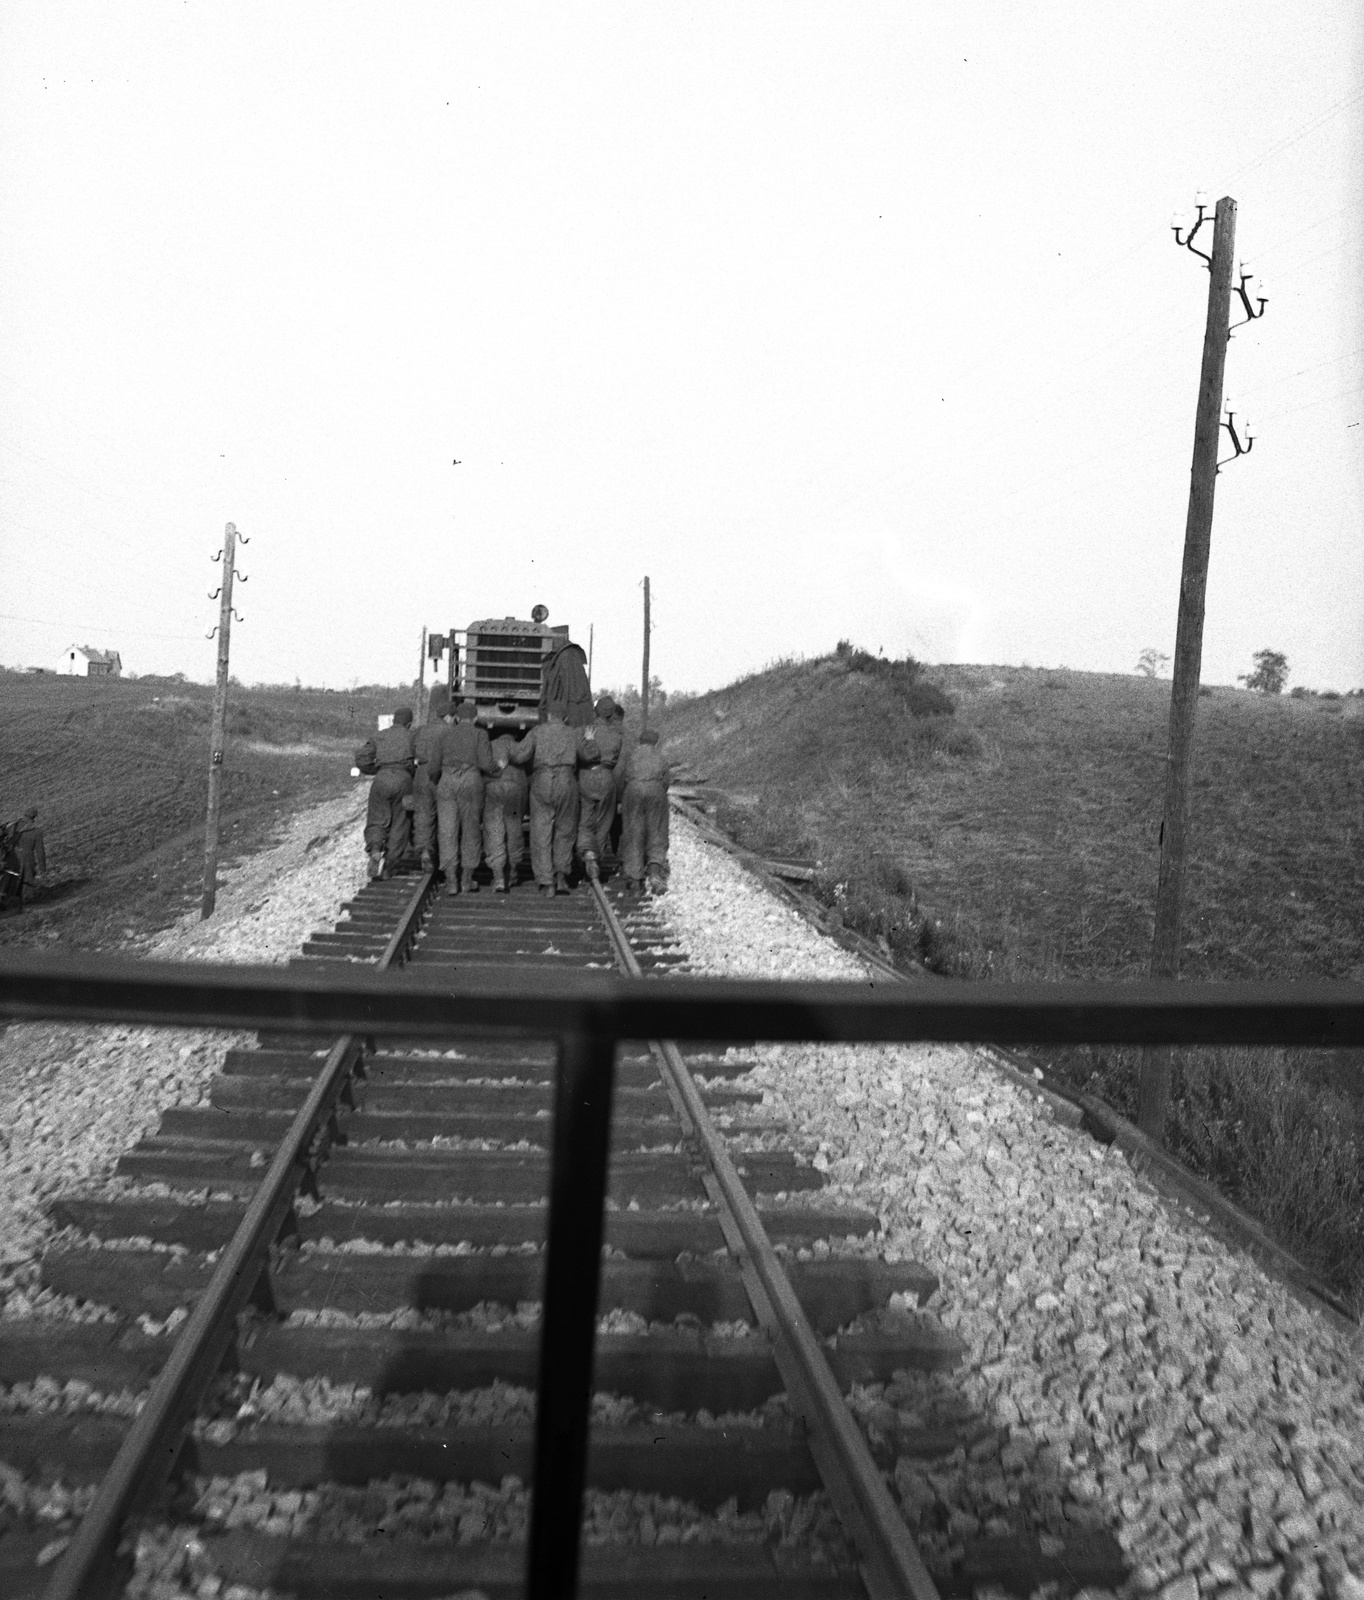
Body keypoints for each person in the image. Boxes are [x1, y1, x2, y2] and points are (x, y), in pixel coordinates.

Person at [508, 710, 598, 896]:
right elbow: (590, 756)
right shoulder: (572, 733)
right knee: (565, 830)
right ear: (564, 717)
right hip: (566, 781)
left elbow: (518, 756)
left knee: (541, 831)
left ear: (548, 716)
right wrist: (589, 739)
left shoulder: (537, 732)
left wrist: (507, 747)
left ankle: (546, 881)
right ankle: (561, 877)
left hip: (542, 780)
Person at [436, 700, 497, 894]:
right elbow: (487, 764)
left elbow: (432, 767)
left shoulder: (444, 734)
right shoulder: (480, 734)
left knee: (447, 830)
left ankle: (451, 880)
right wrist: (498, 769)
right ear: (476, 718)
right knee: (471, 829)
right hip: (471, 781)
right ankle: (466, 880)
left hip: (447, 780)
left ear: (456, 717)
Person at [355, 708, 416, 879]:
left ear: (393, 721)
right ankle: (389, 866)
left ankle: (375, 848)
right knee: (400, 822)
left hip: (381, 779)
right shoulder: (413, 736)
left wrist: (376, 769)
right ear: (409, 723)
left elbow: (361, 758)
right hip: (404, 780)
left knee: (376, 818)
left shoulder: (380, 735)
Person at [576, 695, 624, 872]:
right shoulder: (617, 736)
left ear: (595, 711)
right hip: (606, 777)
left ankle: (587, 852)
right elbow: (619, 764)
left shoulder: (583, 731)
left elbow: (577, 754)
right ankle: (598, 856)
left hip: (586, 776)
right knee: (604, 821)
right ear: (612, 715)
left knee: (585, 819)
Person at [620, 729, 671, 893]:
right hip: (655, 789)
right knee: (657, 831)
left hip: (633, 788)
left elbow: (623, 776)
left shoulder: (631, 754)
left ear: (640, 740)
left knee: (633, 832)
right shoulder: (660, 755)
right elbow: (666, 781)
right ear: (655, 741)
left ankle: (635, 879)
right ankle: (655, 875)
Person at [482, 731, 528, 893]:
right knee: (514, 829)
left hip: (493, 786)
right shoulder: (518, 747)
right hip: (516, 789)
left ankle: (498, 876)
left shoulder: (489, 745)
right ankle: (513, 871)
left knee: (494, 829)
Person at [412, 708, 444, 872]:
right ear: (449, 716)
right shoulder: (450, 730)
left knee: (423, 814)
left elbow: (411, 751)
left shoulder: (420, 730)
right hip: (441, 774)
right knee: (446, 815)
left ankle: (425, 851)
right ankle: (447, 857)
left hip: (422, 773)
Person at [540, 635, 595, 727]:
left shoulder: (562, 660)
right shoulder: (571, 657)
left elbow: (548, 696)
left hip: (564, 719)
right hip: (580, 716)